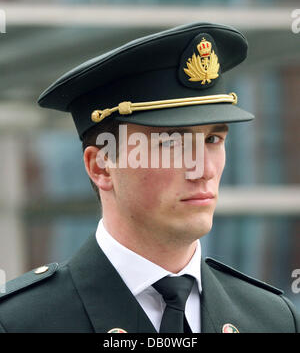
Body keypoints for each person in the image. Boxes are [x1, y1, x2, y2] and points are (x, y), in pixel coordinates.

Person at [0, 22, 299, 333]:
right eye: (171, 143)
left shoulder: (274, 320)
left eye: (213, 140)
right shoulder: (20, 323)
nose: (205, 170)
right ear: (101, 166)